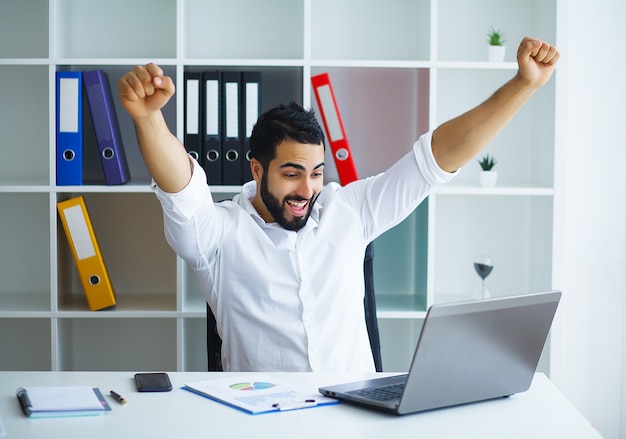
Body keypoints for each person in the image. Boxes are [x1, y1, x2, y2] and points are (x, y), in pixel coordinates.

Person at [118, 36, 559, 372]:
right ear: (257, 169)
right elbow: (183, 191)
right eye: (291, 173)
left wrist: (524, 84)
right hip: (261, 424)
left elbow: (436, 159)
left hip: (358, 422)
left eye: (316, 173)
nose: (306, 190)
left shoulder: (349, 211)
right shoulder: (219, 235)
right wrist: (147, 117)